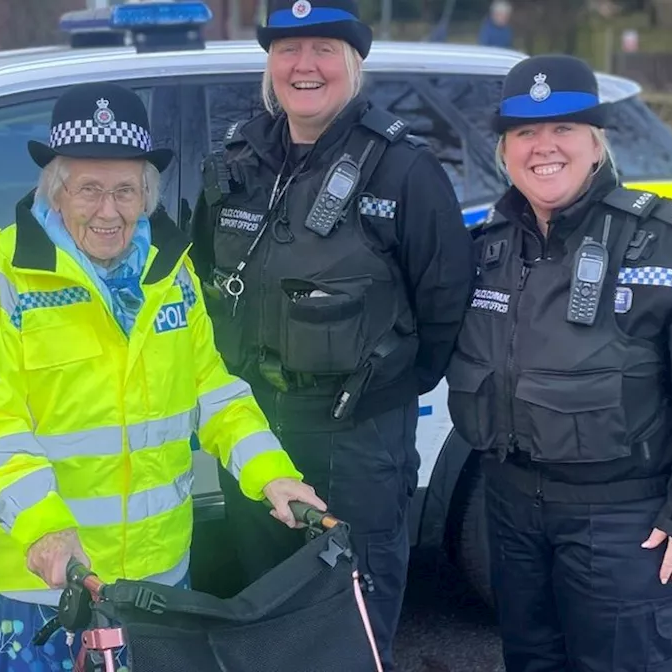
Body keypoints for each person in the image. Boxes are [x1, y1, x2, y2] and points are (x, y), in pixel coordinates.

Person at [0, 81, 326, 672]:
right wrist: (44, 528)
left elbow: (215, 392)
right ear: (56, 191)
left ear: (147, 195)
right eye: (90, 189)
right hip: (45, 586)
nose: (108, 211)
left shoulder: (169, 272)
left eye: (126, 191)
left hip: (157, 576)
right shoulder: (8, 274)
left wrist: (274, 476)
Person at [445, 54, 672, 672]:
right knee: (530, 660)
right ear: (505, 151)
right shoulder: (487, 249)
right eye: (525, 134)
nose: (544, 147)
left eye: (564, 128)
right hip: (510, 509)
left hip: (623, 520)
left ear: (597, 143)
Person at [188, 1, 476, 668]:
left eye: (323, 49)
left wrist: (379, 393)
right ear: (270, 65)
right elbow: (203, 277)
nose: (303, 65)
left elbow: (444, 310)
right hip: (255, 428)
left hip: (358, 437)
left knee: (355, 610)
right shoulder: (239, 159)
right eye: (288, 50)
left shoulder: (404, 172)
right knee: (269, 604)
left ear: (353, 63)